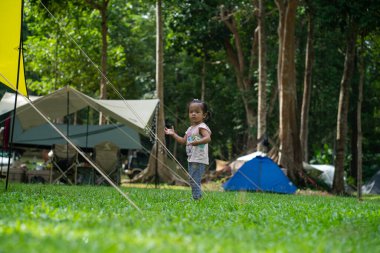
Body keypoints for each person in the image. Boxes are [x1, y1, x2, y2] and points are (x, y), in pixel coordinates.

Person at [165, 99, 211, 200]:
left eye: (197, 112)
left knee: (194, 179)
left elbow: (207, 138)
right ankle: (196, 197)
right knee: (193, 179)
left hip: (199, 158)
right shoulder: (190, 129)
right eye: (191, 112)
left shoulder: (202, 127)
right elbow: (183, 141)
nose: (193, 114)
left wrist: (197, 142)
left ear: (204, 115)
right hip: (191, 158)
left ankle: (197, 198)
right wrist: (173, 134)